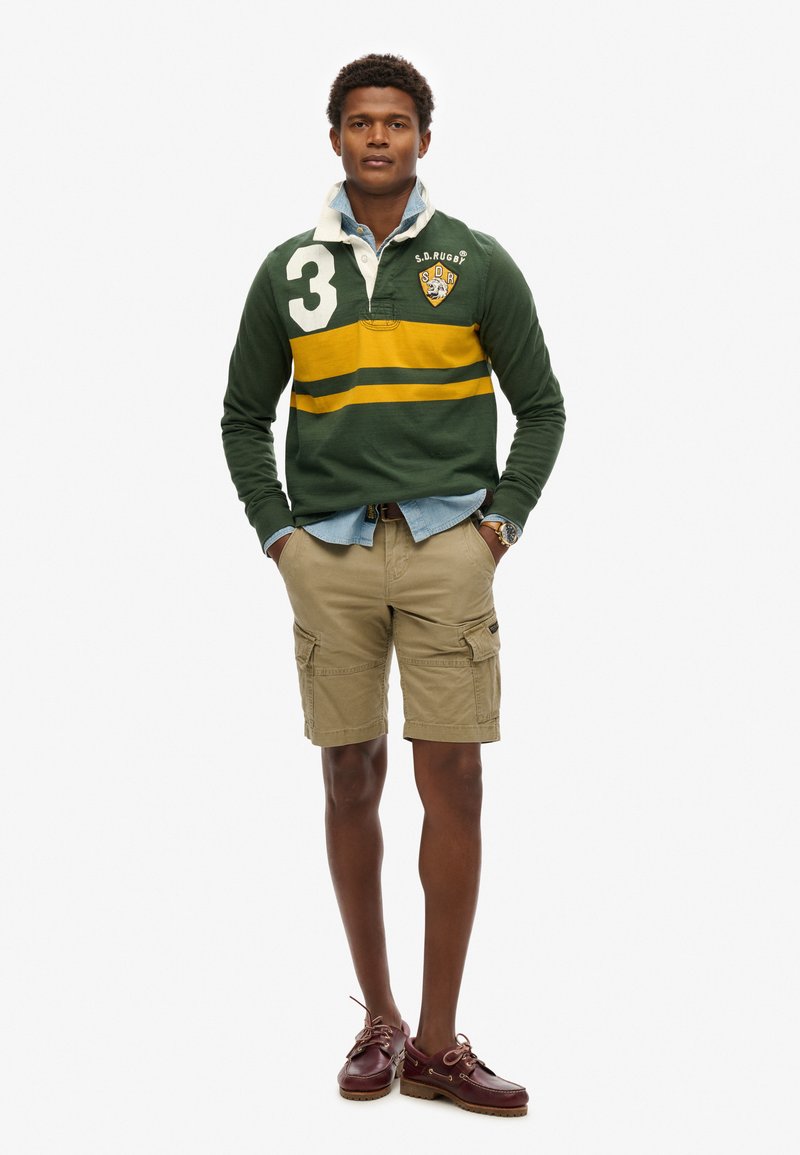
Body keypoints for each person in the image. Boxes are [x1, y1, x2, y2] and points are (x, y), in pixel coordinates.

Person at [221, 53, 565, 1118]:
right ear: (335, 136)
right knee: (347, 777)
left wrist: (498, 524)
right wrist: (278, 535)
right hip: (325, 555)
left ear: (423, 137)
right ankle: (376, 1017)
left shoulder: (476, 262)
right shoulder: (288, 270)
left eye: (398, 121)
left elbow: (543, 406)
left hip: (445, 544)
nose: (379, 137)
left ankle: (436, 1043)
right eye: (362, 121)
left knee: (453, 775)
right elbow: (242, 416)